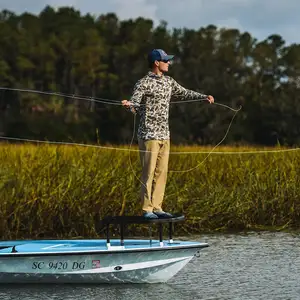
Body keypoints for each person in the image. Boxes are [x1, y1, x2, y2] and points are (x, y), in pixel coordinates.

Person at [122, 49, 214, 219]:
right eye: (166, 60)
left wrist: (204, 97)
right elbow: (134, 104)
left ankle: (157, 207)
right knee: (148, 172)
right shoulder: (143, 83)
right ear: (157, 63)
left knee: (161, 172)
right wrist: (129, 105)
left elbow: (185, 93)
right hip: (149, 135)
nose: (169, 63)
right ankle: (147, 209)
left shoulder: (169, 82)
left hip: (165, 135)